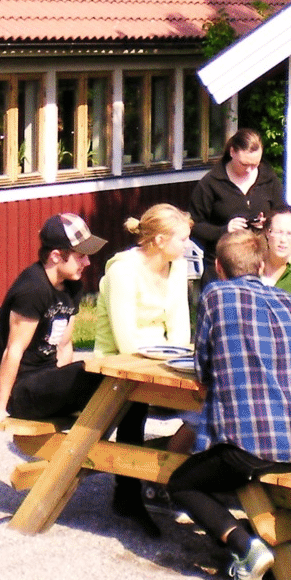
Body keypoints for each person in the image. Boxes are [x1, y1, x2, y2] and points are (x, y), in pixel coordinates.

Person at [164, 228, 291, 580]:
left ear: (218, 267)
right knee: (232, 462)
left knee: (182, 482)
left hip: (254, 445)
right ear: (261, 265)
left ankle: (245, 547)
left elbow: (204, 368)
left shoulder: (216, 295)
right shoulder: (286, 301)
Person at [93, 203, 195, 535]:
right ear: (160, 240)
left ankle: (180, 479)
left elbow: (180, 325)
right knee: (133, 406)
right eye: (182, 240)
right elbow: (125, 340)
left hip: (162, 358)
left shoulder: (176, 268)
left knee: (202, 400)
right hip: (118, 362)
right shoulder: (123, 271)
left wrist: (178, 358)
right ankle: (128, 493)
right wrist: (166, 357)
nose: (187, 247)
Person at [0, 214, 107, 433]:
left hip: (47, 382)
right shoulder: (33, 289)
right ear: (57, 256)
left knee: (123, 385)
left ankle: (124, 455)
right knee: (95, 378)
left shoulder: (72, 286)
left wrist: (62, 385)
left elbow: (65, 345)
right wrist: (0, 407)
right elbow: (14, 350)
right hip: (22, 392)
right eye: (81, 256)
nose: (87, 262)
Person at [187, 128, 285, 249]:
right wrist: (224, 230)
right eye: (244, 164)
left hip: (261, 257)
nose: (249, 170)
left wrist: (267, 223)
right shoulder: (211, 183)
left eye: (255, 164)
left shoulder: (269, 179)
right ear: (232, 152)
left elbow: (281, 214)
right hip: (223, 258)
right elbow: (193, 225)